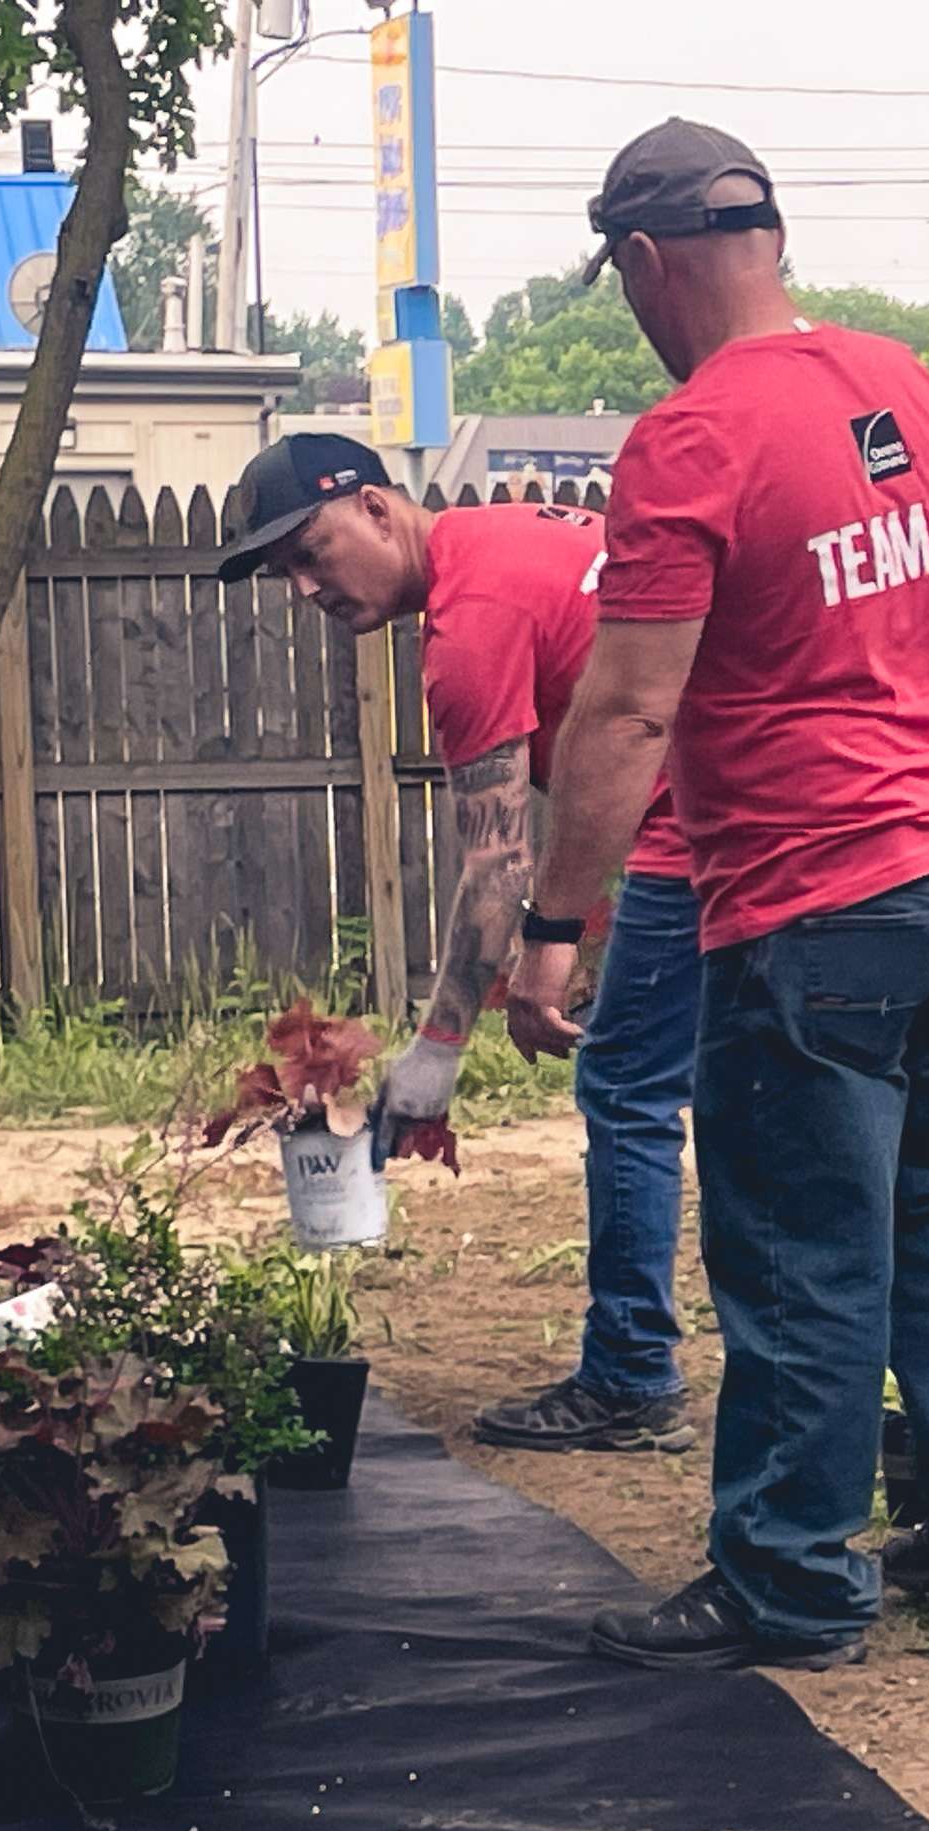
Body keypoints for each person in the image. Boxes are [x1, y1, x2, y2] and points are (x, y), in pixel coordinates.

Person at [506, 118, 929, 1671]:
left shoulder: (692, 436)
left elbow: (627, 710)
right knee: (915, 1192)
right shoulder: (909, 386)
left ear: (643, 261)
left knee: (794, 1244)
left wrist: (558, 925)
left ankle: (785, 1579)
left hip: (813, 904)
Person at [214, 432, 705, 1456]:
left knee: (627, 1090)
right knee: (769, 1103)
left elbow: (496, 866)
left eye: (310, 550)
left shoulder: (470, 630)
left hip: (705, 827)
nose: (302, 587)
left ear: (380, 511)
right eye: (282, 572)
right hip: (756, 809)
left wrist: (436, 1054)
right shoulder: (504, 536)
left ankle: (630, 1377)